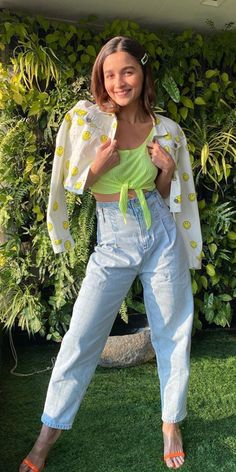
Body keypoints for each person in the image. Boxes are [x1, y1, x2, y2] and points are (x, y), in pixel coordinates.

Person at [20, 36, 202, 472]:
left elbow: (164, 195)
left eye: (128, 71)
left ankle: (170, 423)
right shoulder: (85, 120)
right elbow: (68, 183)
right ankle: (48, 433)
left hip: (159, 231)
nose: (119, 81)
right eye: (109, 73)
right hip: (113, 238)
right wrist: (94, 170)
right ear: (100, 78)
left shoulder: (168, 130)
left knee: (173, 331)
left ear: (143, 73)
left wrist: (169, 170)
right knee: (81, 337)